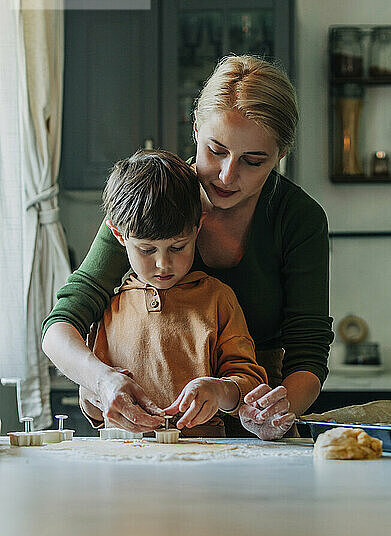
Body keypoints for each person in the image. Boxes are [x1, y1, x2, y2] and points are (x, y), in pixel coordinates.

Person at [42, 54, 333, 440]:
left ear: (280, 155)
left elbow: (308, 352)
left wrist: (274, 411)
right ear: (195, 129)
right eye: (216, 150)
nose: (228, 175)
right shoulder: (153, 198)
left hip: (254, 422)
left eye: (253, 160)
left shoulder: (299, 219)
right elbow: (60, 324)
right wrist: (101, 380)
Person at [43, 150, 268, 436]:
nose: (164, 264)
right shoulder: (110, 308)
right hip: (122, 464)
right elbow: (93, 403)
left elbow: (248, 384)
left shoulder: (218, 300)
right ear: (119, 235)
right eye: (147, 250)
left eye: (178, 247)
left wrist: (219, 390)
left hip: (207, 464)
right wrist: (93, 395)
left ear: (198, 228)